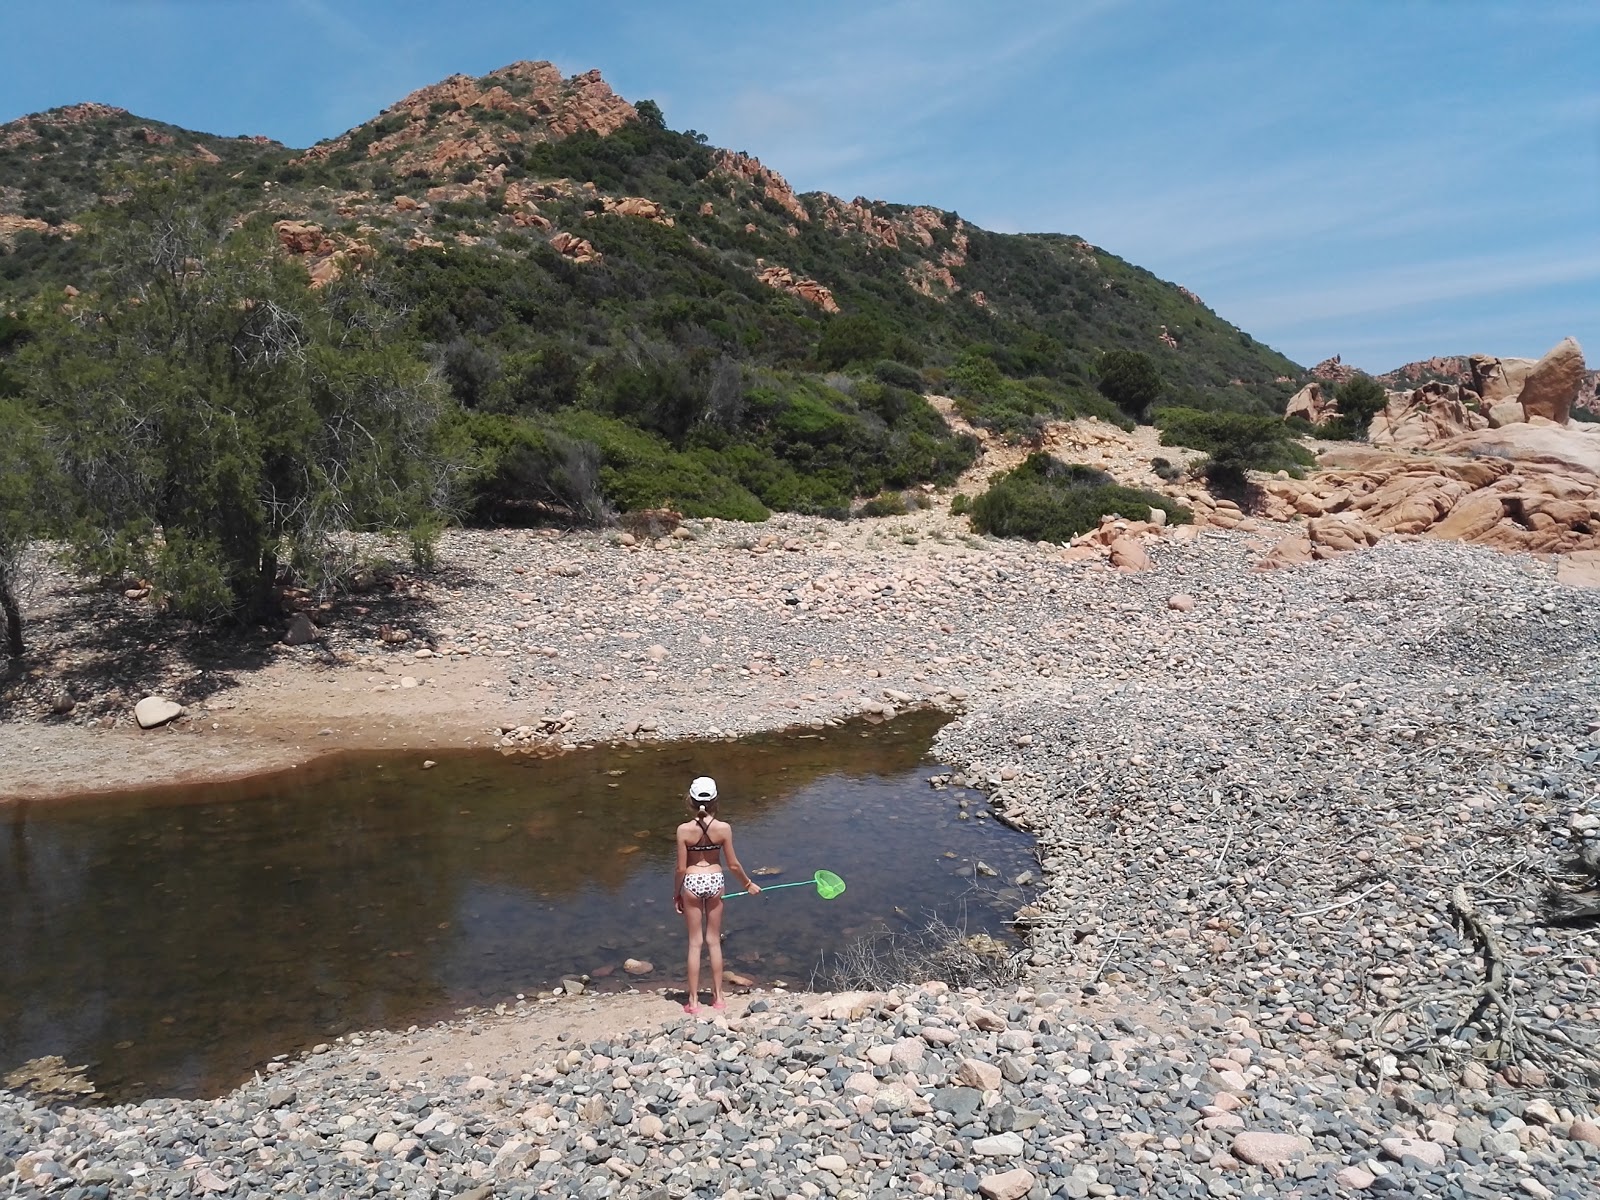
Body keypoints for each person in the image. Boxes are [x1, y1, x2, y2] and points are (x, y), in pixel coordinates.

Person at [674, 775, 758, 1013]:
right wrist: (748, 884)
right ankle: (718, 997)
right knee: (713, 941)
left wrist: (676, 893)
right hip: (714, 879)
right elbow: (732, 864)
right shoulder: (724, 829)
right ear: (715, 801)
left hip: (692, 880)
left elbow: (680, 868)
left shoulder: (683, 830)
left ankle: (692, 1002)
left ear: (690, 801)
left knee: (694, 943)